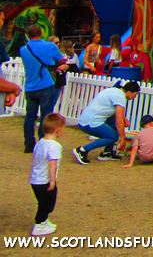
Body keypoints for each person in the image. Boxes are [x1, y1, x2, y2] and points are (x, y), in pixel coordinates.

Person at [19, 25, 67, 153]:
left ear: (29, 35)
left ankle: (28, 143)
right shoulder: (50, 46)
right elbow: (60, 60)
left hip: (30, 85)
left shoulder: (24, 49)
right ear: (41, 33)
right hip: (46, 84)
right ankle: (42, 141)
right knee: (46, 115)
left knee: (30, 116)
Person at [72, 81, 140, 164]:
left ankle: (106, 153)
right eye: (135, 94)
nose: (135, 97)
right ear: (129, 92)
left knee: (115, 128)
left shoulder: (115, 91)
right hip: (89, 123)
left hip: (88, 119)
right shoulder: (120, 97)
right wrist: (122, 139)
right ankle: (82, 150)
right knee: (113, 136)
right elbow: (119, 121)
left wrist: (124, 118)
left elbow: (110, 110)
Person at [30, 113, 66, 236]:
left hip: (35, 179)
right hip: (44, 181)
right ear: (58, 130)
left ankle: (44, 222)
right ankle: (39, 224)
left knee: (43, 202)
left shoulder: (40, 143)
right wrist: (52, 180)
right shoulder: (55, 146)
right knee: (47, 204)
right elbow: (52, 164)